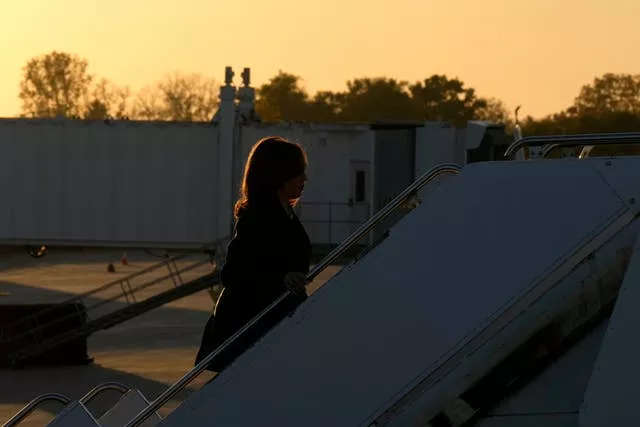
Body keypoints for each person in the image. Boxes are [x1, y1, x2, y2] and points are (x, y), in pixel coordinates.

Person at [195, 136, 311, 373]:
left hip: (274, 325)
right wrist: (282, 280)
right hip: (249, 331)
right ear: (280, 174)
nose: (304, 179)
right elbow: (233, 275)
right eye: (299, 172)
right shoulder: (257, 218)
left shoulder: (285, 213)